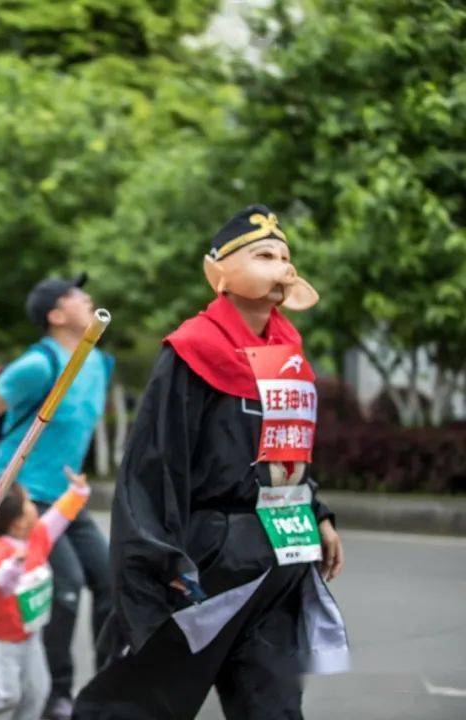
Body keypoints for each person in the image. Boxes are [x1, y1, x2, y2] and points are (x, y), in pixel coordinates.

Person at [74, 205, 349, 719]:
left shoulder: (289, 350)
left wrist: (318, 512)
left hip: (282, 555)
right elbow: (153, 465)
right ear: (221, 271)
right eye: (263, 254)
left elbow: (285, 452)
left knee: (273, 707)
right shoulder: (193, 348)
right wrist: (161, 559)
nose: (281, 266)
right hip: (210, 560)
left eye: (285, 256)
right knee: (141, 702)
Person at [0, 274, 113, 720]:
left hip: (64, 495)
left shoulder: (98, 363)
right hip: (21, 496)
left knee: (110, 580)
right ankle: (57, 694)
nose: (87, 297)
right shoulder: (37, 366)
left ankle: (107, 689)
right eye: (75, 295)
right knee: (65, 585)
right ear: (56, 315)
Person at [0, 467, 90, 720]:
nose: (33, 506)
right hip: (2, 639)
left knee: (38, 691)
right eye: (28, 503)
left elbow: (59, 515)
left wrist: (78, 491)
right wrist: (14, 566)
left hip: (30, 633)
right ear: (17, 521)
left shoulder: (37, 536)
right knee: (6, 696)